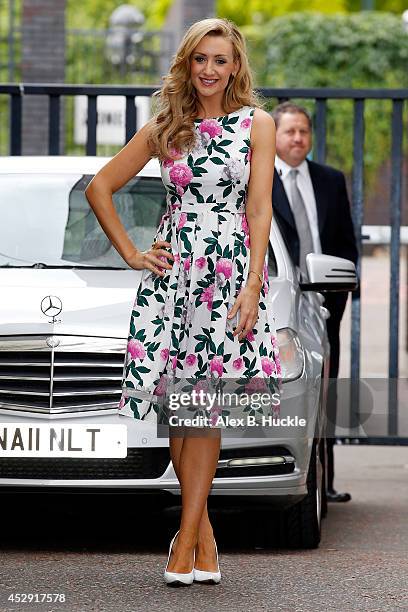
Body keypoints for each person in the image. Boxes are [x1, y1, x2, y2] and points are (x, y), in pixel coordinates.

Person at [85, 18, 280, 586]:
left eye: (221, 60)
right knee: (178, 408)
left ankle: (184, 544)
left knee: (205, 407)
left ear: (235, 66)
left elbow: (260, 210)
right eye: (201, 59)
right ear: (187, 64)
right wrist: (132, 253)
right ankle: (203, 535)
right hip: (172, 279)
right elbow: (100, 187)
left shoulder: (257, 124)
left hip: (226, 275)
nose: (210, 70)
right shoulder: (167, 127)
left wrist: (251, 285)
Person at [271, 101, 358, 503]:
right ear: (274, 136)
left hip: (324, 301)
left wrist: (338, 294)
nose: (298, 138)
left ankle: (327, 482)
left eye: (303, 131)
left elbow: (344, 242)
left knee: (326, 391)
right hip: (281, 300)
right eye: (289, 131)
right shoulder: (260, 180)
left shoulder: (329, 180)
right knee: (289, 391)